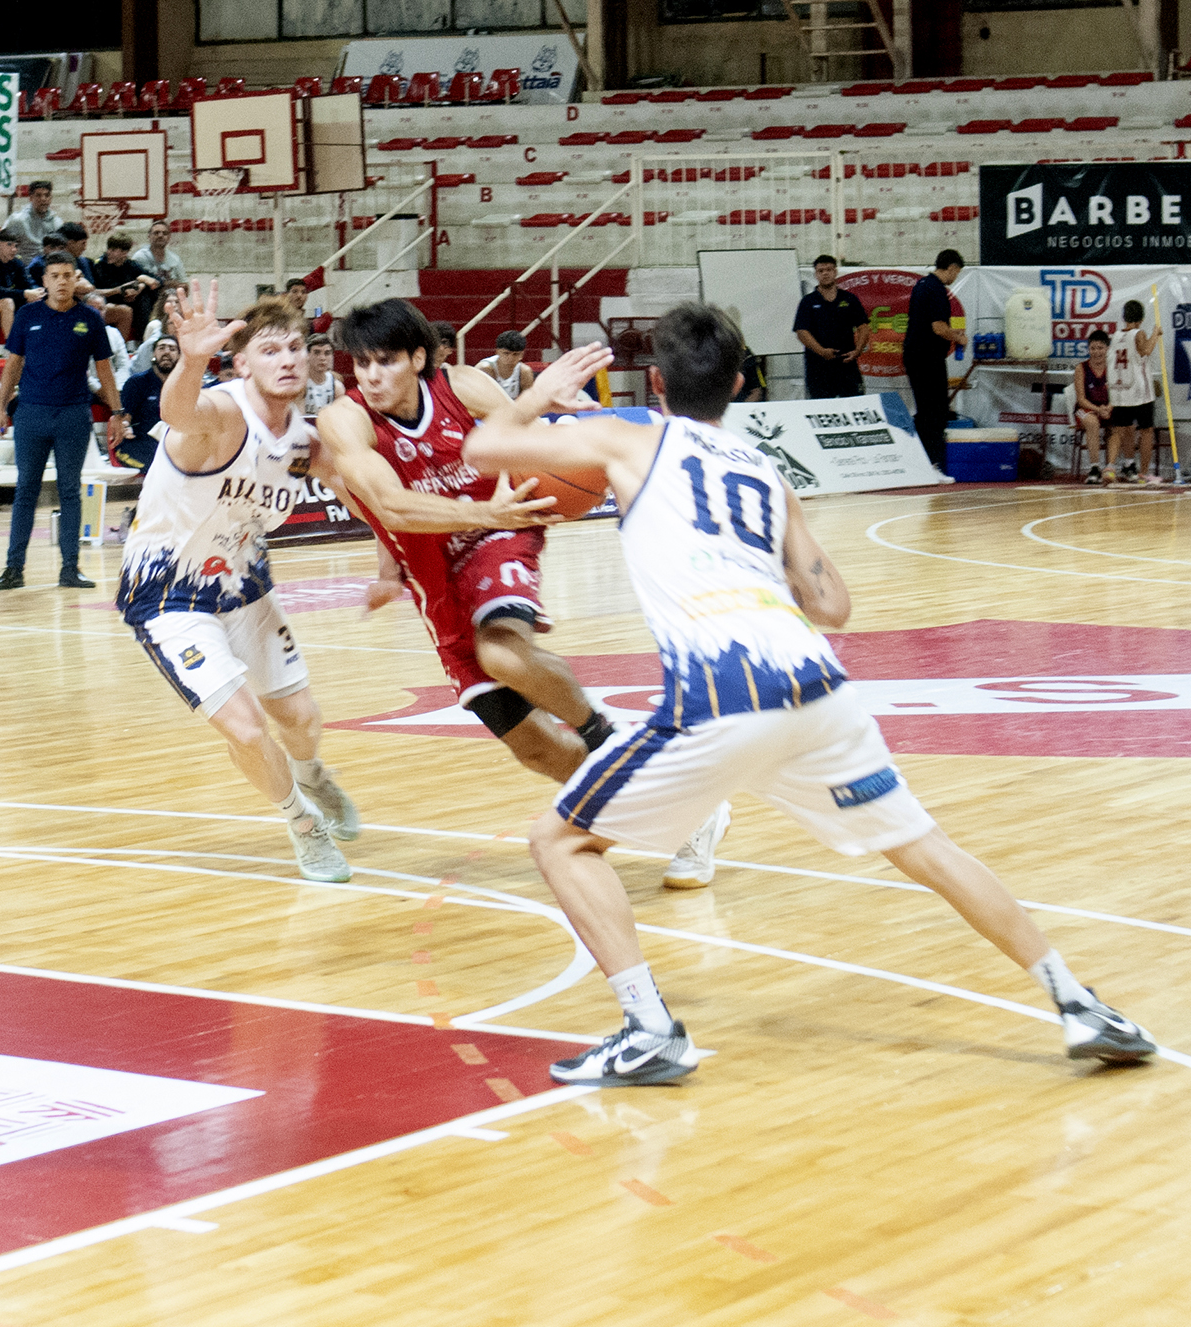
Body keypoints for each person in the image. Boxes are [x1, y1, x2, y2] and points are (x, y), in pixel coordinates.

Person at [458, 302, 1155, 1084]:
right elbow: (833, 606)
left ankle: (649, 1030)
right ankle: (1079, 1002)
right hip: (817, 686)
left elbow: (482, 448)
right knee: (922, 845)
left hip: (723, 687)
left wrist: (539, 394)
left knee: (560, 841)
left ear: (655, 381)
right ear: (739, 385)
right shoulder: (765, 472)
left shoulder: (628, 436)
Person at [324, 297, 733, 886]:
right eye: (361, 363)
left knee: (501, 651)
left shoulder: (463, 386)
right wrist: (390, 572)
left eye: (384, 361)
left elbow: (530, 437)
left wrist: (554, 425)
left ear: (417, 358)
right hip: (438, 575)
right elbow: (388, 505)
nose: (370, 376)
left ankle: (607, 738)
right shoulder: (346, 419)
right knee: (535, 749)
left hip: (501, 532)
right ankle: (684, 810)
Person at [114, 288, 359, 884]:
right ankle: (301, 824)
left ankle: (311, 776)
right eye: (270, 350)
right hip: (168, 593)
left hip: (245, 583)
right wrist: (192, 358)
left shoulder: (304, 440)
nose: (288, 359)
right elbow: (180, 413)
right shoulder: (222, 415)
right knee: (247, 729)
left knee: (300, 718)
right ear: (242, 362)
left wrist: (393, 562)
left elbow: (360, 493)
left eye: (295, 347)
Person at [0, 253, 124, 590]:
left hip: (73, 414)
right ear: (45, 280)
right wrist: (2, 406)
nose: (61, 281)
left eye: (67, 275)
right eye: (55, 275)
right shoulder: (27, 315)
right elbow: (13, 364)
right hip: (31, 413)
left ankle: (70, 569)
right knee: (26, 489)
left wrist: (117, 412)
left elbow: (105, 370)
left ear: (76, 278)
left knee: (70, 491)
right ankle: (13, 569)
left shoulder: (90, 318)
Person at [903, 249, 965, 471]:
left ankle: (920, 462)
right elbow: (938, 327)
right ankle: (933, 463)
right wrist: (958, 337)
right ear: (952, 268)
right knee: (936, 411)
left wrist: (952, 333)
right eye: (956, 273)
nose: (955, 277)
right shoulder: (937, 289)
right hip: (927, 358)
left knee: (925, 410)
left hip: (916, 355)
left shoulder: (921, 285)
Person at [793, 254, 870, 399]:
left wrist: (858, 350)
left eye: (829, 269)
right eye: (821, 271)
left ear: (835, 272)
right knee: (822, 407)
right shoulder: (808, 302)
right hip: (818, 367)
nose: (825, 273)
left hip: (847, 364)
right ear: (816, 274)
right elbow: (802, 332)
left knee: (854, 404)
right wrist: (821, 351)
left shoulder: (849, 299)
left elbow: (863, 326)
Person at [1104, 299, 1162, 484]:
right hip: (1139, 391)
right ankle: (1143, 474)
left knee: (1118, 431)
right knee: (1146, 431)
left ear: (1124, 317)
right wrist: (1155, 334)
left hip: (1121, 390)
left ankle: (1110, 467)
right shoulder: (1139, 333)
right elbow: (1145, 350)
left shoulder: (1115, 336)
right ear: (1141, 319)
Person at [114, 335, 179, 471]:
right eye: (161, 348)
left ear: (179, 356)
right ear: (153, 354)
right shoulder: (136, 383)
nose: (166, 352)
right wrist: (125, 427)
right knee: (162, 467)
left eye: (172, 349)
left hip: (173, 444)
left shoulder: (184, 385)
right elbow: (125, 419)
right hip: (139, 444)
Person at [94, 231, 159, 341]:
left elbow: (156, 281)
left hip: (129, 301)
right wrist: (124, 290)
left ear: (125, 253)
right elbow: (99, 290)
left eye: (113, 250)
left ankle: (143, 339)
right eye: (109, 248)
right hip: (108, 300)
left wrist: (141, 286)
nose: (108, 252)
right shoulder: (100, 265)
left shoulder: (131, 265)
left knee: (147, 294)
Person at [1076, 329, 1113, 483]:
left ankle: (1114, 467)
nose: (1096, 352)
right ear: (1088, 349)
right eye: (1093, 348)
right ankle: (1095, 468)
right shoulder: (1081, 368)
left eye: (1100, 348)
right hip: (1087, 409)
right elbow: (1081, 399)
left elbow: (1118, 394)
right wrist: (1098, 410)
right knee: (1092, 422)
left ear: (1107, 348)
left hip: (1108, 408)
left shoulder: (1112, 368)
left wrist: (1109, 408)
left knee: (1121, 423)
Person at [5, 179, 63, 250]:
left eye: (47, 195)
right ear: (31, 198)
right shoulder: (18, 220)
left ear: (51, 198)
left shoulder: (57, 222)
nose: (43, 199)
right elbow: (1, 244)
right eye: (38, 195)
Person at [477, 330, 534, 396]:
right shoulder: (485, 368)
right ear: (497, 352)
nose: (511, 358)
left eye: (515, 354)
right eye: (506, 353)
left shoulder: (524, 372)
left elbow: (528, 399)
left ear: (522, 355)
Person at [132, 219, 187, 286]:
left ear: (169, 237)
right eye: (156, 233)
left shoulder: (175, 259)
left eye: (165, 233)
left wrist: (180, 286)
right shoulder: (140, 257)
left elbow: (185, 284)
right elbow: (133, 284)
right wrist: (169, 284)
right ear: (149, 236)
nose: (160, 235)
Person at [303, 331, 340, 413]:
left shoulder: (337, 387)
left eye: (327, 353)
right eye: (317, 353)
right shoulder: (300, 384)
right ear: (307, 355)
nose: (322, 358)